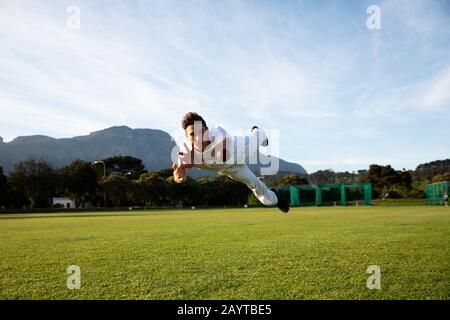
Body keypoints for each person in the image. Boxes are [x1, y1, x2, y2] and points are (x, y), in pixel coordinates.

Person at [172, 112, 289, 213]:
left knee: (257, 138)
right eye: (193, 134)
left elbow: (222, 155)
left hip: (242, 150)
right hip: (231, 170)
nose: (198, 138)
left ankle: (257, 130)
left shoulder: (217, 132)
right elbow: (182, 173)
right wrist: (180, 177)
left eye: (200, 132)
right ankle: (276, 198)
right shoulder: (185, 151)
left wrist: (197, 160)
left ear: (207, 130)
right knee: (265, 199)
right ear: (187, 137)